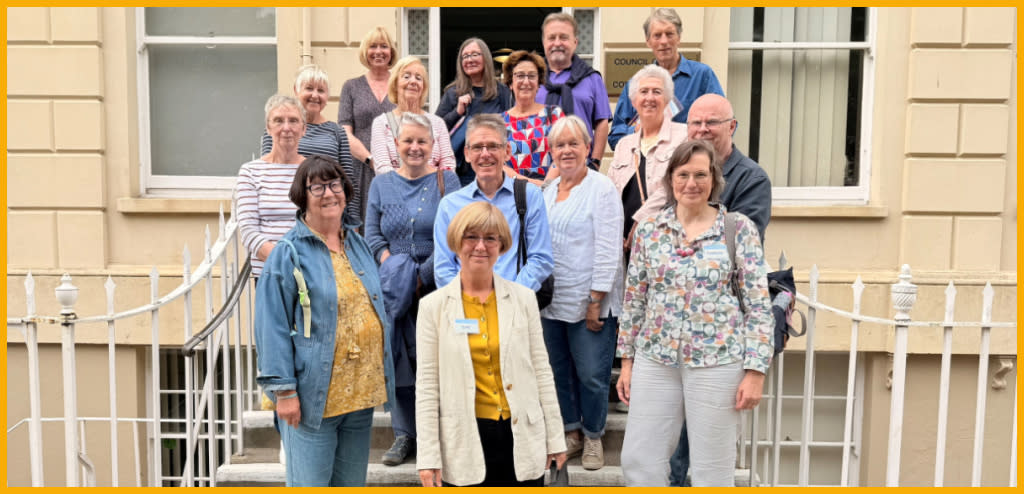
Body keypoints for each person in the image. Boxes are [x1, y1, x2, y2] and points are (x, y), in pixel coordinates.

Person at [616, 139, 773, 487]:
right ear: (670, 178)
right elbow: (634, 299)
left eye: (700, 174)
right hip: (656, 359)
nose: (691, 183)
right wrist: (626, 361)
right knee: (639, 459)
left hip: (718, 362)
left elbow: (759, 305)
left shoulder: (738, 229)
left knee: (712, 468)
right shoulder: (648, 230)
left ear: (714, 178)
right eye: (683, 174)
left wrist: (755, 371)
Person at [254, 155, 397, 487]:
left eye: (334, 184)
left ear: (345, 191)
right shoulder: (287, 252)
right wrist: (284, 392)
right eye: (316, 186)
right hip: (312, 400)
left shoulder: (357, 244)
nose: (328, 193)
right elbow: (271, 326)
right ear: (302, 196)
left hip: (359, 397)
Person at [416, 201, 567, 487]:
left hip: (521, 435)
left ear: (502, 244)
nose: (480, 246)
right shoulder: (433, 307)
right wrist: (428, 456)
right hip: (465, 439)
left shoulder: (523, 299)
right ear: (456, 242)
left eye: (490, 238)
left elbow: (542, 372)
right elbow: (427, 387)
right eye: (471, 237)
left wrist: (555, 437)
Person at [667, 93, 773, 486]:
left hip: (718, 339)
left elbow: (743, 254)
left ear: (732, 127)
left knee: (707, 448)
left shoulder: (752, 179)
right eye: (695, 122)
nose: (702, 130)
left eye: (712, 122)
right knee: (671, 444)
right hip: (674, 335)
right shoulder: (682, 171)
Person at [364, 112, 461, 467]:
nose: (415, 147)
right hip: (393, 290)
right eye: (408, 141)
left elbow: (453, 235)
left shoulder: (446, 181)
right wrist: (396, 270)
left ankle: (437, 434)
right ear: (396, 146)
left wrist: (421, 275)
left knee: (435, 363)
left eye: (422, 141)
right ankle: (405, 434)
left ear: (434, 146)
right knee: (400, 361)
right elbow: (372, 235)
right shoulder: (381, 184)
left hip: (436, 286)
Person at [539, 115, 623, 471]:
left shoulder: (601, 188)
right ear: (551, 151)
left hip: (590, 300)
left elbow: (608, 248)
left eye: (575, 143)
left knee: (591, 373)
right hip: (552, 302)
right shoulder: (546, 190)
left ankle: (593, 435)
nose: (567, 150)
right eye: (560, 145)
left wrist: (596, 299)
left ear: (588, 148)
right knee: (559, 371)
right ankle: (571, 432)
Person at [432, 113, 553, 292]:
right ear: (467, 154)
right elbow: (444, 268)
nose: (485, 154)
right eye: (478, 147)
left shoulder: (529, 196)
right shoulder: (450, 206)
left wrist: (510, 297)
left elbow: (541, 259)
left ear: (507, 151)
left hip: (514, 307)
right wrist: (469, 300)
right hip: (466, 311)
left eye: (493, 146)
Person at [609, 8, 724, 150]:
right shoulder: (637, 83)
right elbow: (615, 137)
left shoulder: (702, 76)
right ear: (648, 41)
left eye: (669, 34)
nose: (664, 41)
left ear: (679, 37)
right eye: (657, 35)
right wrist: (640, 130)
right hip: (646, 166)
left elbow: (724, 124)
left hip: (688, 163)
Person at [607, 65, 687, 250]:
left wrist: (640, 221)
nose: (649, 98)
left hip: (664, 239)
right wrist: (612, 232)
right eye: (643, 92)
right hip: (625, 242)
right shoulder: (624, 145)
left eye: (657, 92)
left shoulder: (684, 137)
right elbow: (609, 193)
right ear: (634, 101)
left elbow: (673, 185)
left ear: (667, 100)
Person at [260, 66, 356, 221]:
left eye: (321, 90)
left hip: (328, 212)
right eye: (309, 88)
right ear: (296, 91)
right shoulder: (279, 130)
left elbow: (348, 180)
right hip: (286, 209)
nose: (315, 95)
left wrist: (352, 223)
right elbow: (269, 173)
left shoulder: (337, 131)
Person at [237, 94, 308, 278]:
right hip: (268, 275)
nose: (286, 128)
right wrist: (285, 261)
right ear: (268, 128)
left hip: (310, 271)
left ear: (303, 128)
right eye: (278, 121)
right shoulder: (250, 172)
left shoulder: (314, 171)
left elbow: (324, 224)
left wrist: (303, 263)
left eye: (293, 121)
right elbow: (247, 229)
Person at [536, 12, 611, 171]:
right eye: (551, 38)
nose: (557, 43)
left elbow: (602, 122)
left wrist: (595, 162)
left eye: (563, 37)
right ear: (544, 42)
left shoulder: (592, 78)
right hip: (538, 169)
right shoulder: (532, 78)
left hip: (581, 168)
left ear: (575, 42)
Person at [338, 27, 399, 219]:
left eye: (384, 46)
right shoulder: (351, 87)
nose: (378, 51)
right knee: (360, 224)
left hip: (395, 167)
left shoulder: (401, 85)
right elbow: (345, 133)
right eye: (373, 46)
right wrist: (371, 160)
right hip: (360, 167)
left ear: (391, 52)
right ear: (365, 51)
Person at [435, 38, 513, 186]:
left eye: (475, 54)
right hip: (462, 172)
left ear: (486, 58)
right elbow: (434, 130)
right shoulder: (452, 93)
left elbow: (512, 125)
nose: (469, 60)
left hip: (496, 168)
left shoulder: (502, 92)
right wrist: (457, 112)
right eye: (465, 56)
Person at [370, 56, 455, 175]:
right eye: (406, 76)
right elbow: (382, 168)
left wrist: (426, 186)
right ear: (395, 84)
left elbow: (448, 165)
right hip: (396, 192)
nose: (413, 81)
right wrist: (409, 185)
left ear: (423, 88)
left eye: (419, 78)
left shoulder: (437, 123)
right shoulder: (381, 123)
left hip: (432, 192)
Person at [501, 50, 565, 186]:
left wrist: (546, 187)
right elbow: (499, 164)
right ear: (510, 83)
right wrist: (530, 184)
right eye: (520, 76)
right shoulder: (499, 122)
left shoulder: (554, 115)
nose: (526, 81)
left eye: (531, 76)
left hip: (549, 194)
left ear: (539, 83)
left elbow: (563, 154)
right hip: (511, 195)